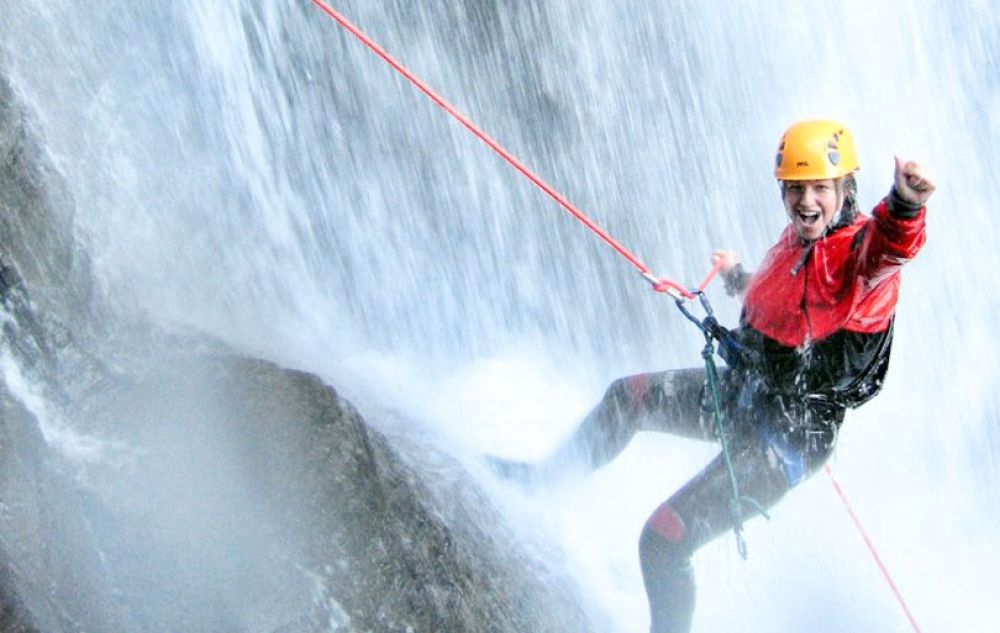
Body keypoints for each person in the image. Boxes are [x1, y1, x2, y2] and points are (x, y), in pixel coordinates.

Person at [491, 119, 934, 632]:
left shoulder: (860, 261)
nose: (805, 201)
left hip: (786, 438)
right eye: (795, 188)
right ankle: (542, 483)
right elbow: (780, 296)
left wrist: (906, 203)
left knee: (664, 538)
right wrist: (735, 277)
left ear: (846, 190)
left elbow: (887, 249)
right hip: (747, 393)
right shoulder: (798, 241)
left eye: (819, 188)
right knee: (626, 397)